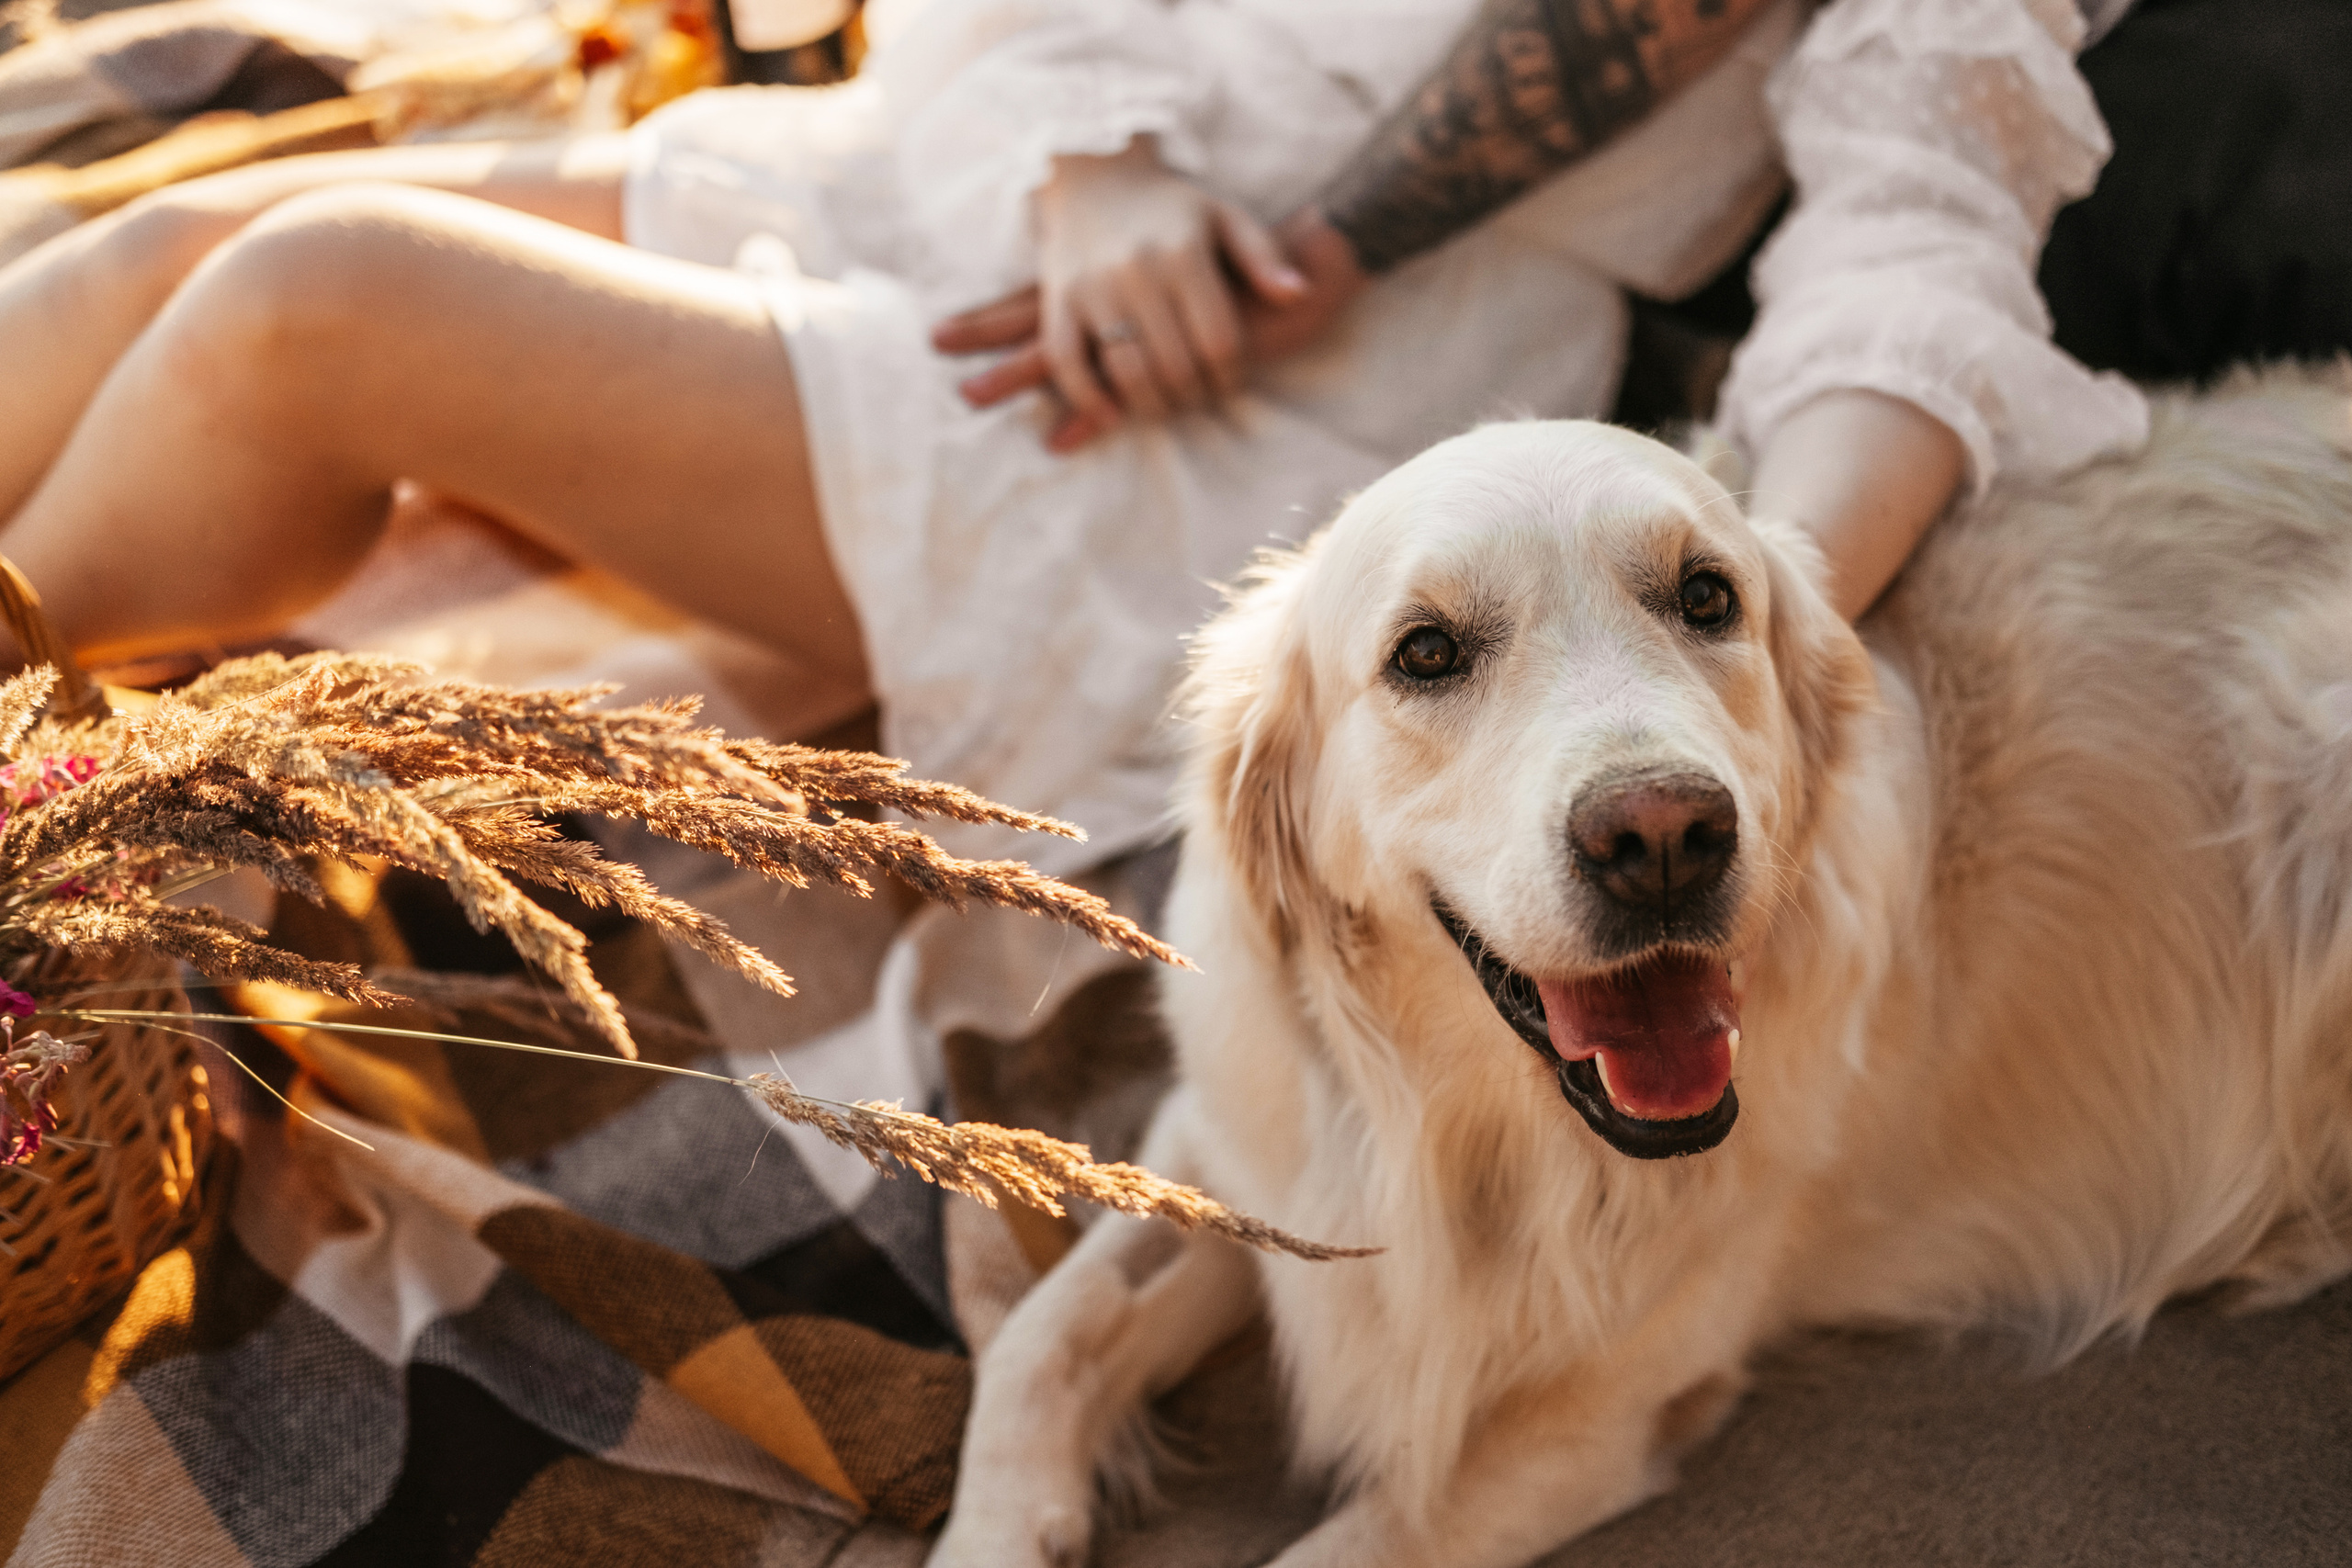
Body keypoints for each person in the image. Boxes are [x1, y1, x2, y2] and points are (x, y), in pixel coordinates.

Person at [0, 0, 2139, 883]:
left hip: (1185, 433)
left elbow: (1908, 266)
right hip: (948, 188)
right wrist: (1085, 166)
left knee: (316, 302)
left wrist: (1747, 626)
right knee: (176, 242)